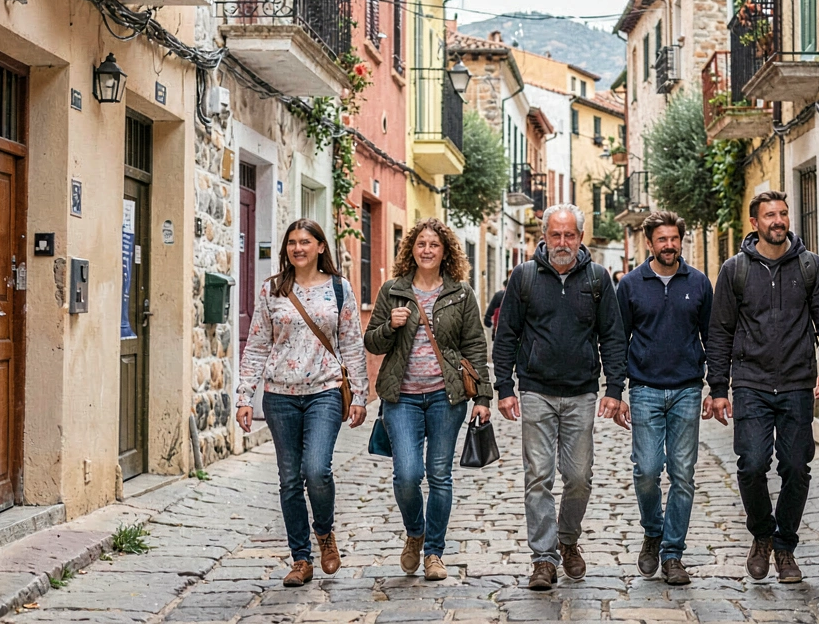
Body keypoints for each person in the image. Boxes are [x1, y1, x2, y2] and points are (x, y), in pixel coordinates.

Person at [705, 191, 819, 584]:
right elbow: (720, 333)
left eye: (783, 213)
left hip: (798, 383)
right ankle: (762, 534)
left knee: (797, 467)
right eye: (770, 215)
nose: (778, 220)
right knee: (752, 464)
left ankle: (785, 547)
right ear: (755, 223)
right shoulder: (735, 270)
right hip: (751, 383)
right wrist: (719, 387)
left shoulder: (810, 266)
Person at [492, 204, 627, 590]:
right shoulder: (525, 276)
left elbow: (612, 336)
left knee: (579, 477)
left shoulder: (598, 278)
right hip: (536, 390)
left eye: (570, 235)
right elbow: (507, 334)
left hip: (582, 393)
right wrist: (505, 387)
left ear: (581, 238)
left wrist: (614, 389)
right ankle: (543, 558)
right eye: (556, 234)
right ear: (545, 236)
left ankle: (567, 539)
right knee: (538, 476)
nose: (563, 242)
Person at [236, 219, 368, 587]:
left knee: (317, 470)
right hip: (280, 396)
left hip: (325, 391)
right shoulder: (272, 289)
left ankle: (324, 532)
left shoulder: (339, 288)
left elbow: (352, 344)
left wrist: (359, 394)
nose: (298, 248)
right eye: (292, 242)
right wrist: (245, 396)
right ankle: (300, 558)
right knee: (290, 479)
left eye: (306, 242)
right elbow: (257, 344)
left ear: (320, 247)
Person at [364, 218, 494, 581]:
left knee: (439, 475)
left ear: (445, 251)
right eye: (421, 243)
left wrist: (483, 396)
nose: (427, 250)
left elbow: (475, 346)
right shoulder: (393, 290)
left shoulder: (461, 294)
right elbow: (371, 341)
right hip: (401, 398)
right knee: (407, 474)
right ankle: (415, 532)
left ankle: (434, 552)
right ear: (411, 249)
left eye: (434, 244)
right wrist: (390, 325)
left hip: (445, 397)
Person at [615, 211, 712, 586]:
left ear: (680, 241)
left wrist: (718, 388)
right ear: (649, 243)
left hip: (688, 389)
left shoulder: (699, 283)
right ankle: (653, 531)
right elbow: (617, 341)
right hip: (644, 390)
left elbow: (712, 338)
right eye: (662, 239)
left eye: (674, 239)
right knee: (647, 470)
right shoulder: (631, 285)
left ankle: (673, 554)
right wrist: (616, 391)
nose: (669, 245)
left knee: (683, 474)